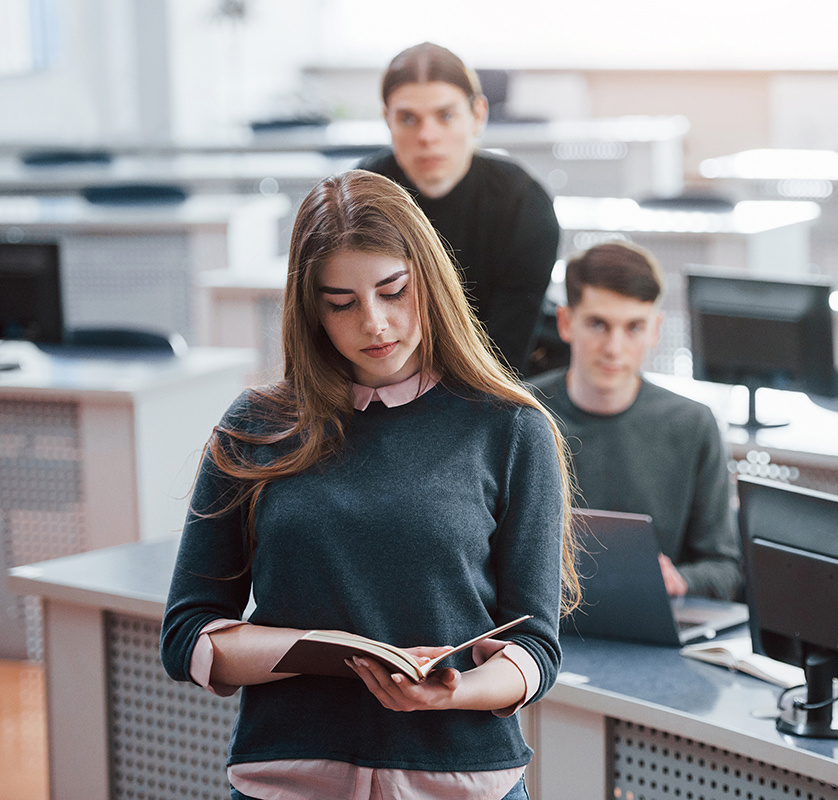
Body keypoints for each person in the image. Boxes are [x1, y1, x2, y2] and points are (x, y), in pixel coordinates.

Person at [160, 169, 579, 800]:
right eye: (342, 303)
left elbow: (535, 646)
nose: (375, 323)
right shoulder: (255, 425)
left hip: (460, 780)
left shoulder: (511, 427)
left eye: (394, 291)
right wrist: (316, 650)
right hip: (289, 779)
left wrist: (452, 692)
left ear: (429, 281)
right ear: (312, 310)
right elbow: (186, 635)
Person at [529, 241, 741, 601]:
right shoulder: (519, 414)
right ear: (566, 322)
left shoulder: (692, 425)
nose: (614, 348)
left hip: (652, 619)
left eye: (634, 328)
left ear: (655, 330)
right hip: (540, 618)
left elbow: (725, 569)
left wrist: (679, 580)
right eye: (598, 324)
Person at [357, 42, 559, 375]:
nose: (427, 136)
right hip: (389, 376)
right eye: (408, 118)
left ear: (478, 115)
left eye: (445, 115)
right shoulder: (360, 198)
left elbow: (507, 351)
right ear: (387, 120)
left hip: (506, 371)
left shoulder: (522, 201)